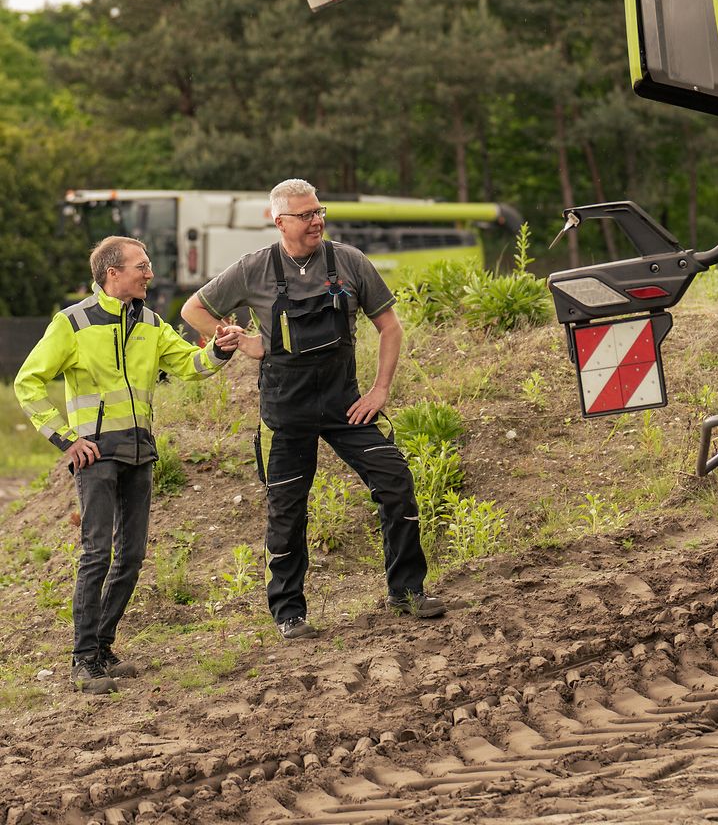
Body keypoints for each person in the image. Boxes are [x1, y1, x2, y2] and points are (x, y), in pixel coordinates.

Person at [181, 178, 445, 640]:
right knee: (287, 509)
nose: (316, 221)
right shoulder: (253, 269)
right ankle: (289, 614)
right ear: (279, 221)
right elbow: (193, 310)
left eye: (319, 212)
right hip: (286, 411)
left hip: (347, 405)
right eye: (305, 215)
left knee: (395, 481)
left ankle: (407, 593)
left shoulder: (349, 261)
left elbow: (390, 327)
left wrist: (380, 390)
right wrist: (244, 343)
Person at [15, 236, 241, 694]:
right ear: (112, 273)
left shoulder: (152, 323)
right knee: (97, 554)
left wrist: (220, 350)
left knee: (132, 557)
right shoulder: (72, 323)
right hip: (95, 455)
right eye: (142, 265)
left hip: (140, 452)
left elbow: (189, 365)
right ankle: (83, 661)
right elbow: (27, 383)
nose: (150, 273)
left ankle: (102, 646)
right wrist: (65, 439)